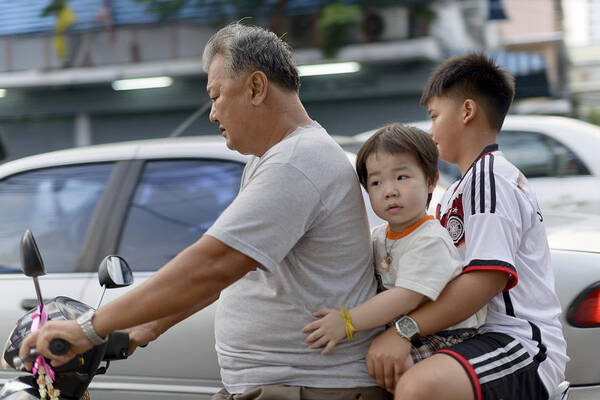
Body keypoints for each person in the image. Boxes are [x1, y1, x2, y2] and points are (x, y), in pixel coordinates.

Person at [19, 23, 391, 400]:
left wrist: (89, 328)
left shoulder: (297, 162)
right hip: (282, 384)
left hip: (308, 388)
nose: (213, 114)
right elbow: (231, 268)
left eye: (216, 96)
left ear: (256, 87)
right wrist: (144, 328)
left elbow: (214, 262)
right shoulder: (274, 159)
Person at [365, 53, 568, 400]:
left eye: (435, 116)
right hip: (470, 337)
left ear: (467, 111)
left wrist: (403, 331)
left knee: (418, 386)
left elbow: (485, 280)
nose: (431, 131)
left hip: (516, 341)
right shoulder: (459, 188)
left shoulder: (490, 179)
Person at [301, 123, 486, 370]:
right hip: (408, 332)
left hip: (446, 336)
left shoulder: (429, 239)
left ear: (430, 182)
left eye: (402, 177)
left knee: (400, 370)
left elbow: (405, 298)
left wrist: (347, 321)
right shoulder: (378, 237)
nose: (389, 191)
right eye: (376, 183)